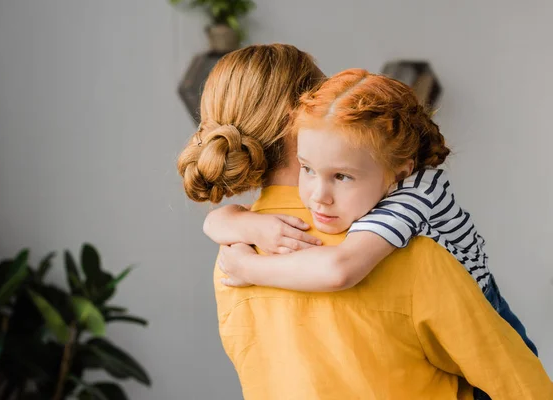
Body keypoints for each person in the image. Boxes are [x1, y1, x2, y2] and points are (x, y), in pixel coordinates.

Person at [177, 48, 553, 398]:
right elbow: (524, 389)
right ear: (304, 119)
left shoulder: (230, 260)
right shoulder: (411, 253)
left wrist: (234, 229)